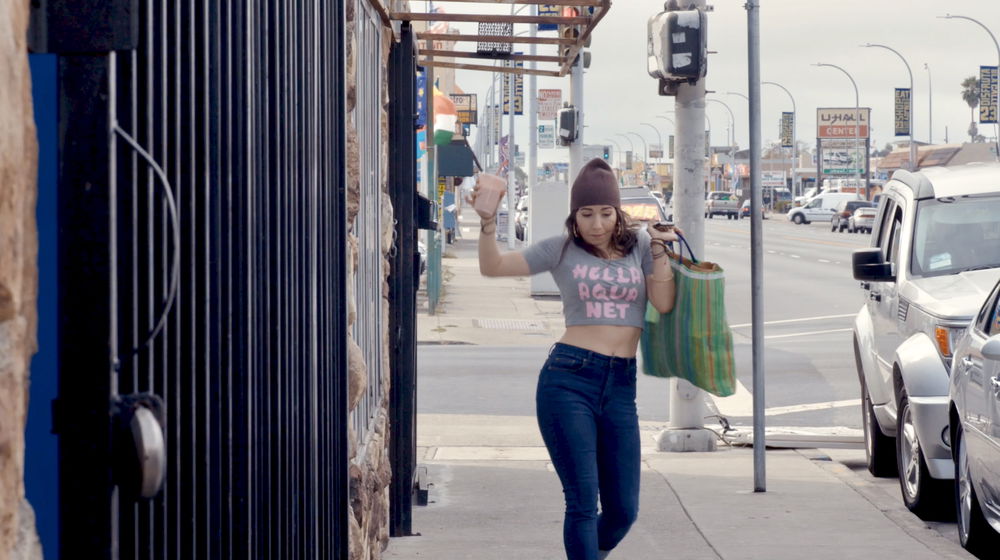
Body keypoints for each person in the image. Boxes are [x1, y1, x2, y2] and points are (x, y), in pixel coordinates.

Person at [467, 158, 680, 560]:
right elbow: (492, 266)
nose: (596, 224)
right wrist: (487, 222)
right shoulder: (560, 249)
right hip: (569, 380)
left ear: (618, 213)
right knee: (582, 502)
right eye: (586, 214)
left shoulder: (639, 246)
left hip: (620, 386)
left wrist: (658, 247)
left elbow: (664, 302)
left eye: (605, 213)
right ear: (574, 216)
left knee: (622, 511)